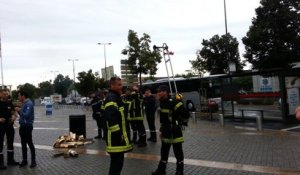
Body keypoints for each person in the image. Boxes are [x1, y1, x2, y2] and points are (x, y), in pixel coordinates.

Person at [152, 85, 190, 175]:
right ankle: (161, 170)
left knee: (178, 152)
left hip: (175, 131)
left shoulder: (174, 102)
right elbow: (162, 119)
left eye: (160, 91)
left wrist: (181, 122)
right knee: (164, 152)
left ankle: (179, 171)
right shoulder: (161, 103)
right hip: (166, 131)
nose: (158, 93)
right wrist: (161, 130)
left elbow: (186, 115)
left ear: (165, 92)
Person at [104, 77, 133, 175]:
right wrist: (118, 134)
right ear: (112, 85)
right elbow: (111, 119)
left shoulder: (116, 97)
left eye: (121, 84)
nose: (122, 86)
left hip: (117, 139)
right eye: (119, 85)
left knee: (117, 165)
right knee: (116, 166)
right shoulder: (111, 98)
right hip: (116, 139)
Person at [16, 90, 36, 168]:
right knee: (23, 144)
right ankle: (25, 160)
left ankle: (33, 161)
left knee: (30, 143)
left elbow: (27, 115)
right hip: (22, 126)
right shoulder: (24, 103)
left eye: (19, 96)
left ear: (23, 96)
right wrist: (19, 111)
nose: (18, 97)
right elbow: (22, 115)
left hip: (27, 126)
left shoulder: (29, 103)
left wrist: (19, 110)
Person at [0, 89, 19, 170]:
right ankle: (0, 163)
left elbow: (14, 112)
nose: (6, 95)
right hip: (0, 126)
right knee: (0, 143)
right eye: (4, 94)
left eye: (7, 94)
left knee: (10, 142)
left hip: (9, 125)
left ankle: (10, 160)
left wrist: (14, 117)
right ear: (0, 94)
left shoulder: (9, 102)